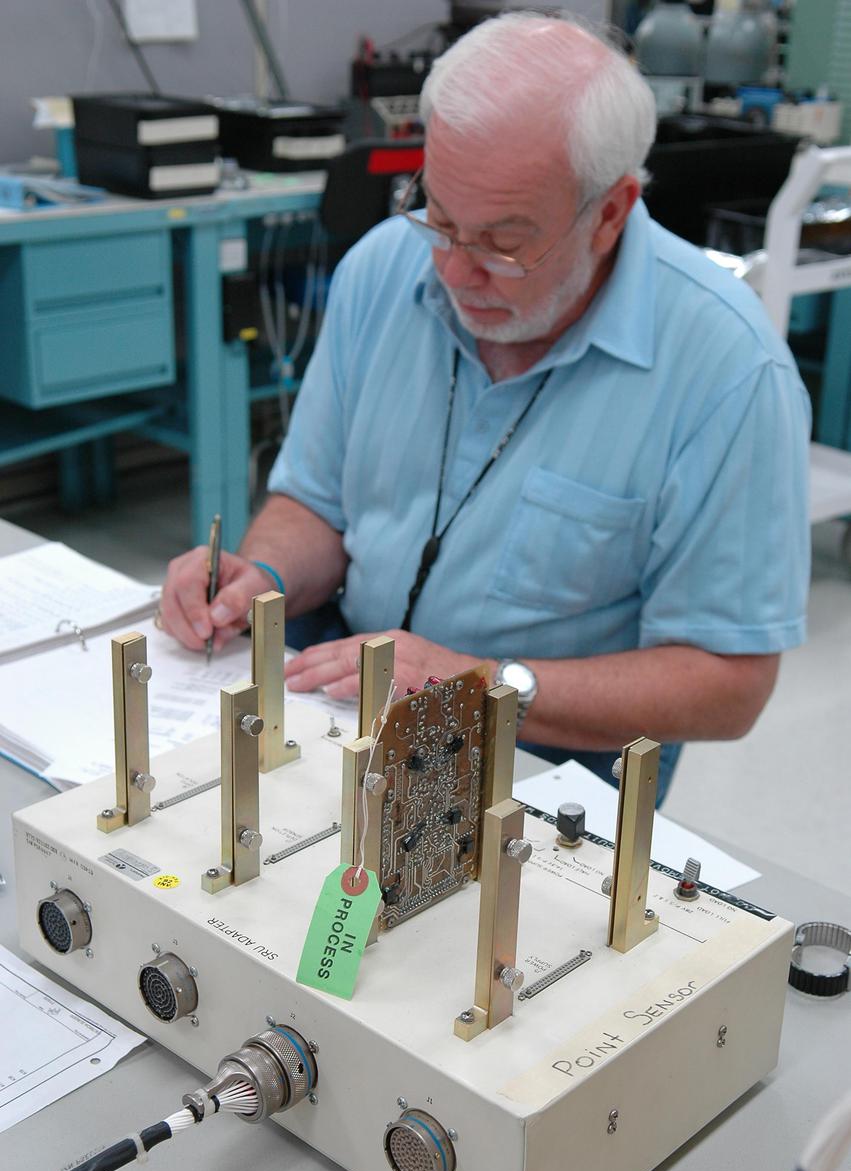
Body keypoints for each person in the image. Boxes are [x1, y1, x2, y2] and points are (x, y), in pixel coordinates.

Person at [160, 12, 810, 803]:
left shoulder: (727, 372)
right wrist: (255, 580)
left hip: (547, 749)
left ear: (609, 211)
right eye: (438, 217)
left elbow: (726, 684)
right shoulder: (383, 271)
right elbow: (317, 504)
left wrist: (476, 682)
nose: (454, 272)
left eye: (503, 244)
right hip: (351, 685)